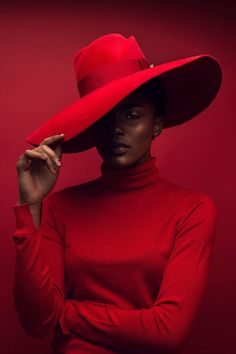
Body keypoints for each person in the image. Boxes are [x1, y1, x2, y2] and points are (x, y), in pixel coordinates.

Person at [12, 33, 222, 354]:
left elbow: (167, 332)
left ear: (157, 125)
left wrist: (66, 312)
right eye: (103, 116)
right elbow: (38, 322)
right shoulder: (59, 207)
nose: (116, 128)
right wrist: (31, 207)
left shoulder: (192, 209)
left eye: (132, 115)